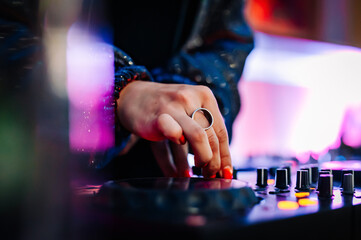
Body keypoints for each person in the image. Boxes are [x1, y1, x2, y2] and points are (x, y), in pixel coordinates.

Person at [83, 0, 254, 179]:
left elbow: (227, 40)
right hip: (65, 175)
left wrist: (182, 92)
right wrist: (118, 90)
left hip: (161, 174)